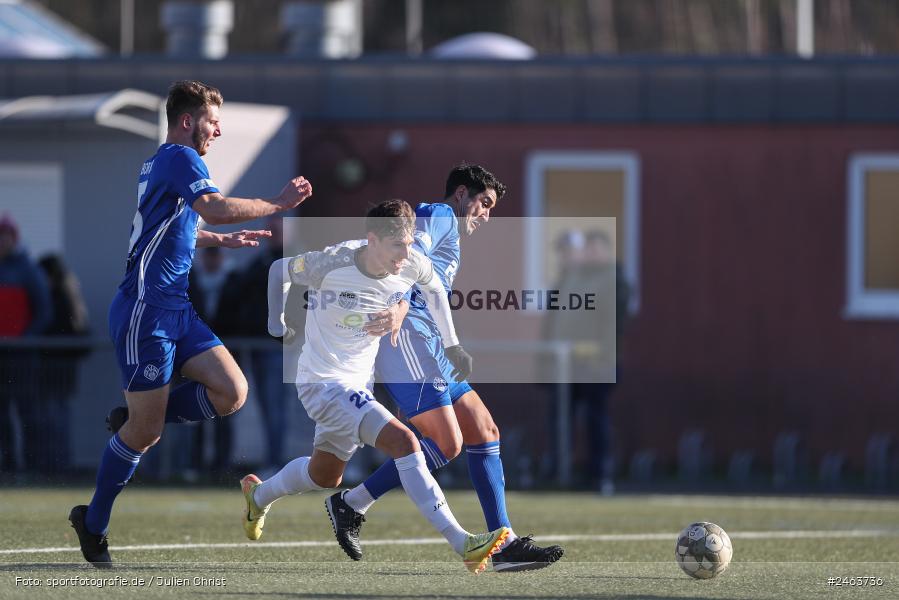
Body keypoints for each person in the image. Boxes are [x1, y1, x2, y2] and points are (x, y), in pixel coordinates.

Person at [68, 79, 314, 568]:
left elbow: (177, 226)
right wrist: (279, 204)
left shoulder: (168, 162)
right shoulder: (182, 158)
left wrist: (217, 242)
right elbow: (215, 207)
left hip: (175, 308)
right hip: (145, 310)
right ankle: (92, 522)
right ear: (187, 121)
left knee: (232, 392)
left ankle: (136, 420)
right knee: (147, 433)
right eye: (212, 122)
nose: (217, 132)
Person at [241, 199, 509, 574]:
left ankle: (259, 494)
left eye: (410, 243)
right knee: (405, 442)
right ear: (372, 241)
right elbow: (277, 270)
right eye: (398, 245)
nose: (406, 254)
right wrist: (277, 324)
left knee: (326, 475)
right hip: (323, 383)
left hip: (358, 386)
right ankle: (462, 542)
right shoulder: (331, 262)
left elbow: (433, 291)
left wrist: (451, 345)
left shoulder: (411, 261)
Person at [331, 165, 564, 572]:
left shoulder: (445, 226)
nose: (487, 215)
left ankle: (504, 543)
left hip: (430, 342)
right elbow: (404, 260)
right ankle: (352, 502)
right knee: (446, 443)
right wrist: (401, 304)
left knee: (484, 429)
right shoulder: (440, 216)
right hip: (407, 341)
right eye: (484, 203)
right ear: (461, 194)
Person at [0, 214, 51, 474]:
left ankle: (33, 466)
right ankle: (8, 466)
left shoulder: (28, 270)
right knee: (2, 417)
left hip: (21, 357)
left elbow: (43, 312)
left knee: (28, 413)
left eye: (4, 236)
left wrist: (25, 339)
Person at [187, 246, 242, 476]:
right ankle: (195, 464)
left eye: (216, 254)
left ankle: (222, 464)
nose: (212, 259)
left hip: (227, 356)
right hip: (196, 357)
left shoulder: (235, 280)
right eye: (208, 254)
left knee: (225, 410)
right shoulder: (191, 279)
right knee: (196, 411)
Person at [35, 254, 91, 476]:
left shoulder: (61, 297)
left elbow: (66, 330)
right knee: (54, 415)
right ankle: (55, 461)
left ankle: (57, 463)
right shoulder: (67, 294)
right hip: (58, 367)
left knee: (55, 415)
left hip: (58, 367)